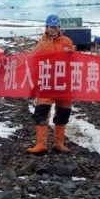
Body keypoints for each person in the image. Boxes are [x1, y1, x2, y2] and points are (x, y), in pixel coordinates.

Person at [26, 14, 75, 154]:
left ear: (59, 28)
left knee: (63, 113)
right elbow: (34, 62)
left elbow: (75, 61)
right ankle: (41, 144)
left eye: (55, 27)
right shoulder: (41, 44)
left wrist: (70, 53)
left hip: (63, 84)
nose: (53, 30)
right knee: (41, 113)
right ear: (46, 27)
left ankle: (58, 144)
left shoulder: (67, 42)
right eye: (50, 27)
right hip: (46, 84)